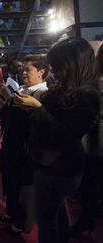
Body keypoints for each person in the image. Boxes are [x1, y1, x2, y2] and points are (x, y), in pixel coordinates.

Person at [14, 38, 101, 243]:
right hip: (49, 164)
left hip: (59, 168)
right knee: (56, 214)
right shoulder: (66, 87)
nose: (52, 72)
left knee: (47, 222)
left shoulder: (88, 95)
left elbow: (65, 135)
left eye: (56, 67)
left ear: (71, 64)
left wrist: (37, 109)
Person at [0, 54, 49, 234]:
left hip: (25, 149)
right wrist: (5, 100)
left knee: (24, 188)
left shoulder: (43, 94)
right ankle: (12, 213)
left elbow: (36, 123)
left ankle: (23, 223)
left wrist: (11, 100)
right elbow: (8, 116)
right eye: (23, 69)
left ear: (42, 72)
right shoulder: (23, 88)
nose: (24, 73)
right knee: (11, 182)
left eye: (28, 70)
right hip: (12, 144)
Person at [70, 43, 103, 236]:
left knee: (90, 183)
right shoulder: (92, 82)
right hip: (92, 141)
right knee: (90, 183)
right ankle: (88, 217)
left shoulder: (91, 83)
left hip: (93, 144)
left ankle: (87, 219)